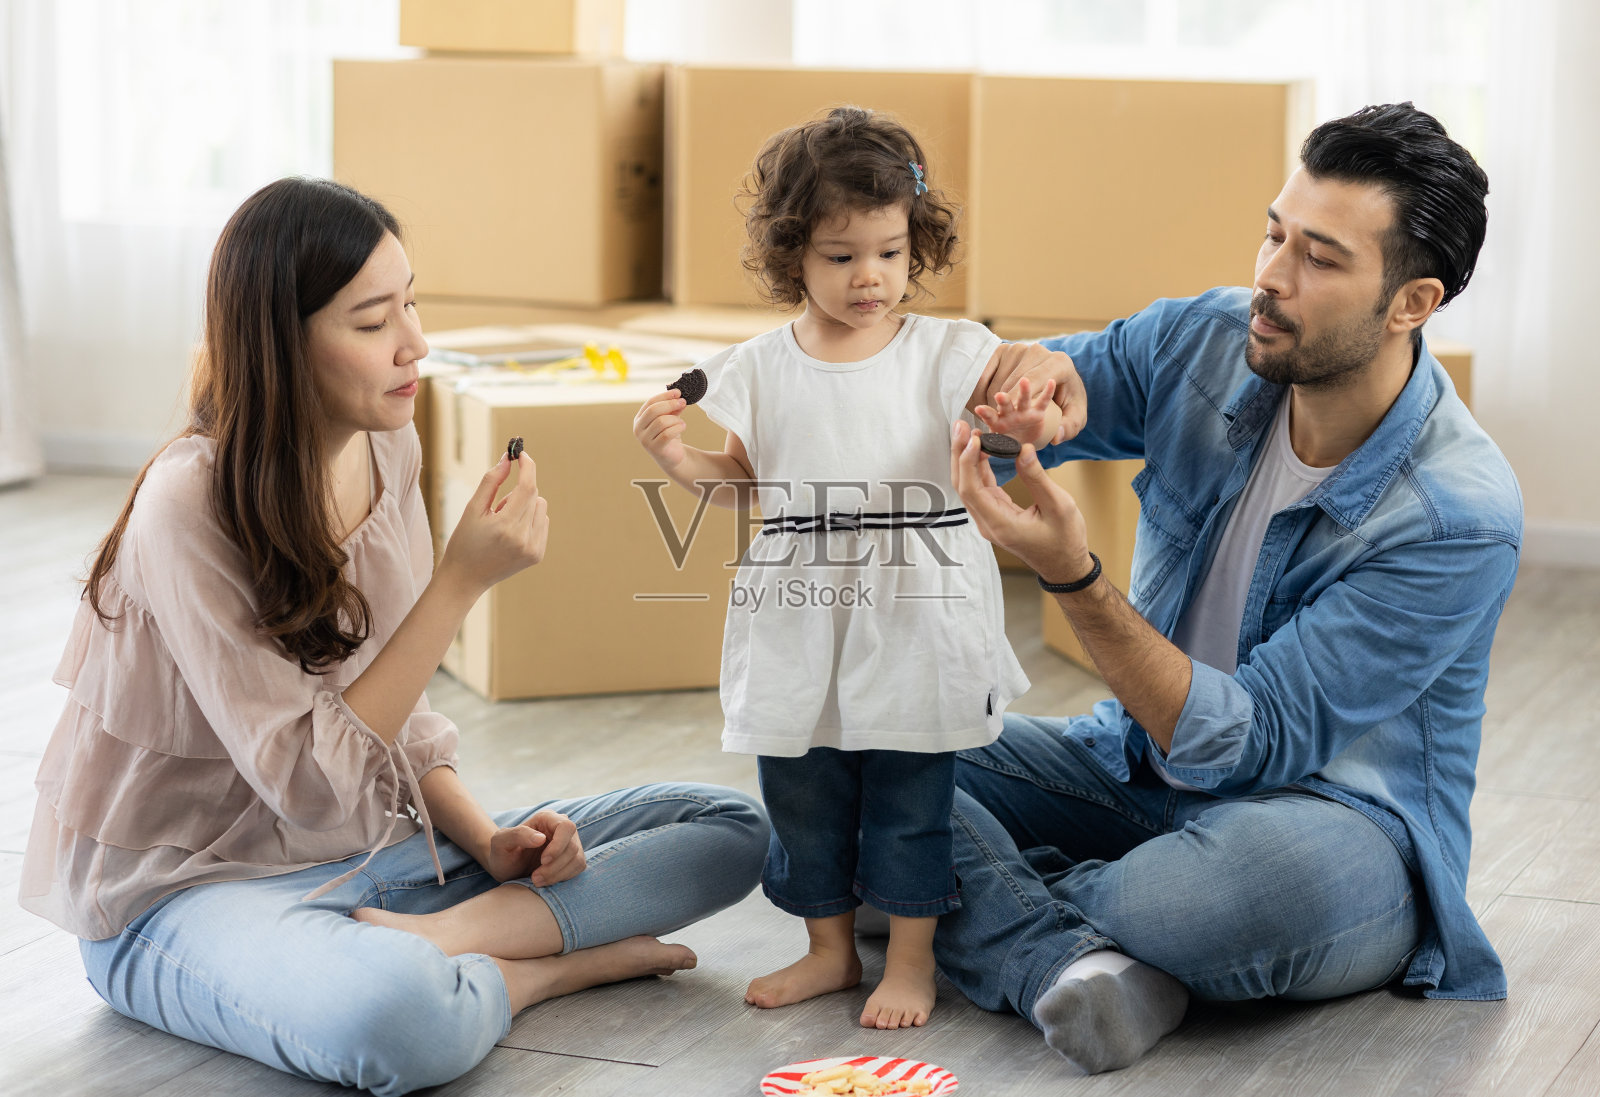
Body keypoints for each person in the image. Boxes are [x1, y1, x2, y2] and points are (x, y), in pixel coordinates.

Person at [18, 177, 770, 1097]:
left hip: (368, 857)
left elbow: (400, 717)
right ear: (281, 343)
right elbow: (302, 784)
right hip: (184, 894)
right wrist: (460, 582)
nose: (415, 342)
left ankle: (457, 937)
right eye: (373, 321)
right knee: (402, 1018)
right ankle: (536, 966)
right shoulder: (189, 501)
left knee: (734, 827)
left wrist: (488, 838)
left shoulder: (388, 444)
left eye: (410, 301)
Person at [938, 101, 1519, 1074]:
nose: (1270, 278)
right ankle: (1074, 954)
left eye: (1320, 259)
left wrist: (1073, 579)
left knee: (1203, 898)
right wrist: (1015, 400)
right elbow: (1049, 391)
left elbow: (1249, 740)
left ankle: (967, 895)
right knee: (854, 743)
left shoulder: (1453, 513)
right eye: (1272, 233)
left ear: (1410, 302)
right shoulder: (1209, 341)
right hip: (1131, 769)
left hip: (1329, 824)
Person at [632, 107, 1072, 1030]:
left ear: (917, 246)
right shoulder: (758, 368)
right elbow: (747, 483)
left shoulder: (949, 352)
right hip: (802, 609)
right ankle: (828, 948)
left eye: (889, 252)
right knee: (803, 785)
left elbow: (1025, 412)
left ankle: (909, 960)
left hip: (917, 604)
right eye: (840, 256)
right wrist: (680, 463)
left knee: (913, 788)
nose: (869, 276)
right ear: (793, 254)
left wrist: (1029, 423)